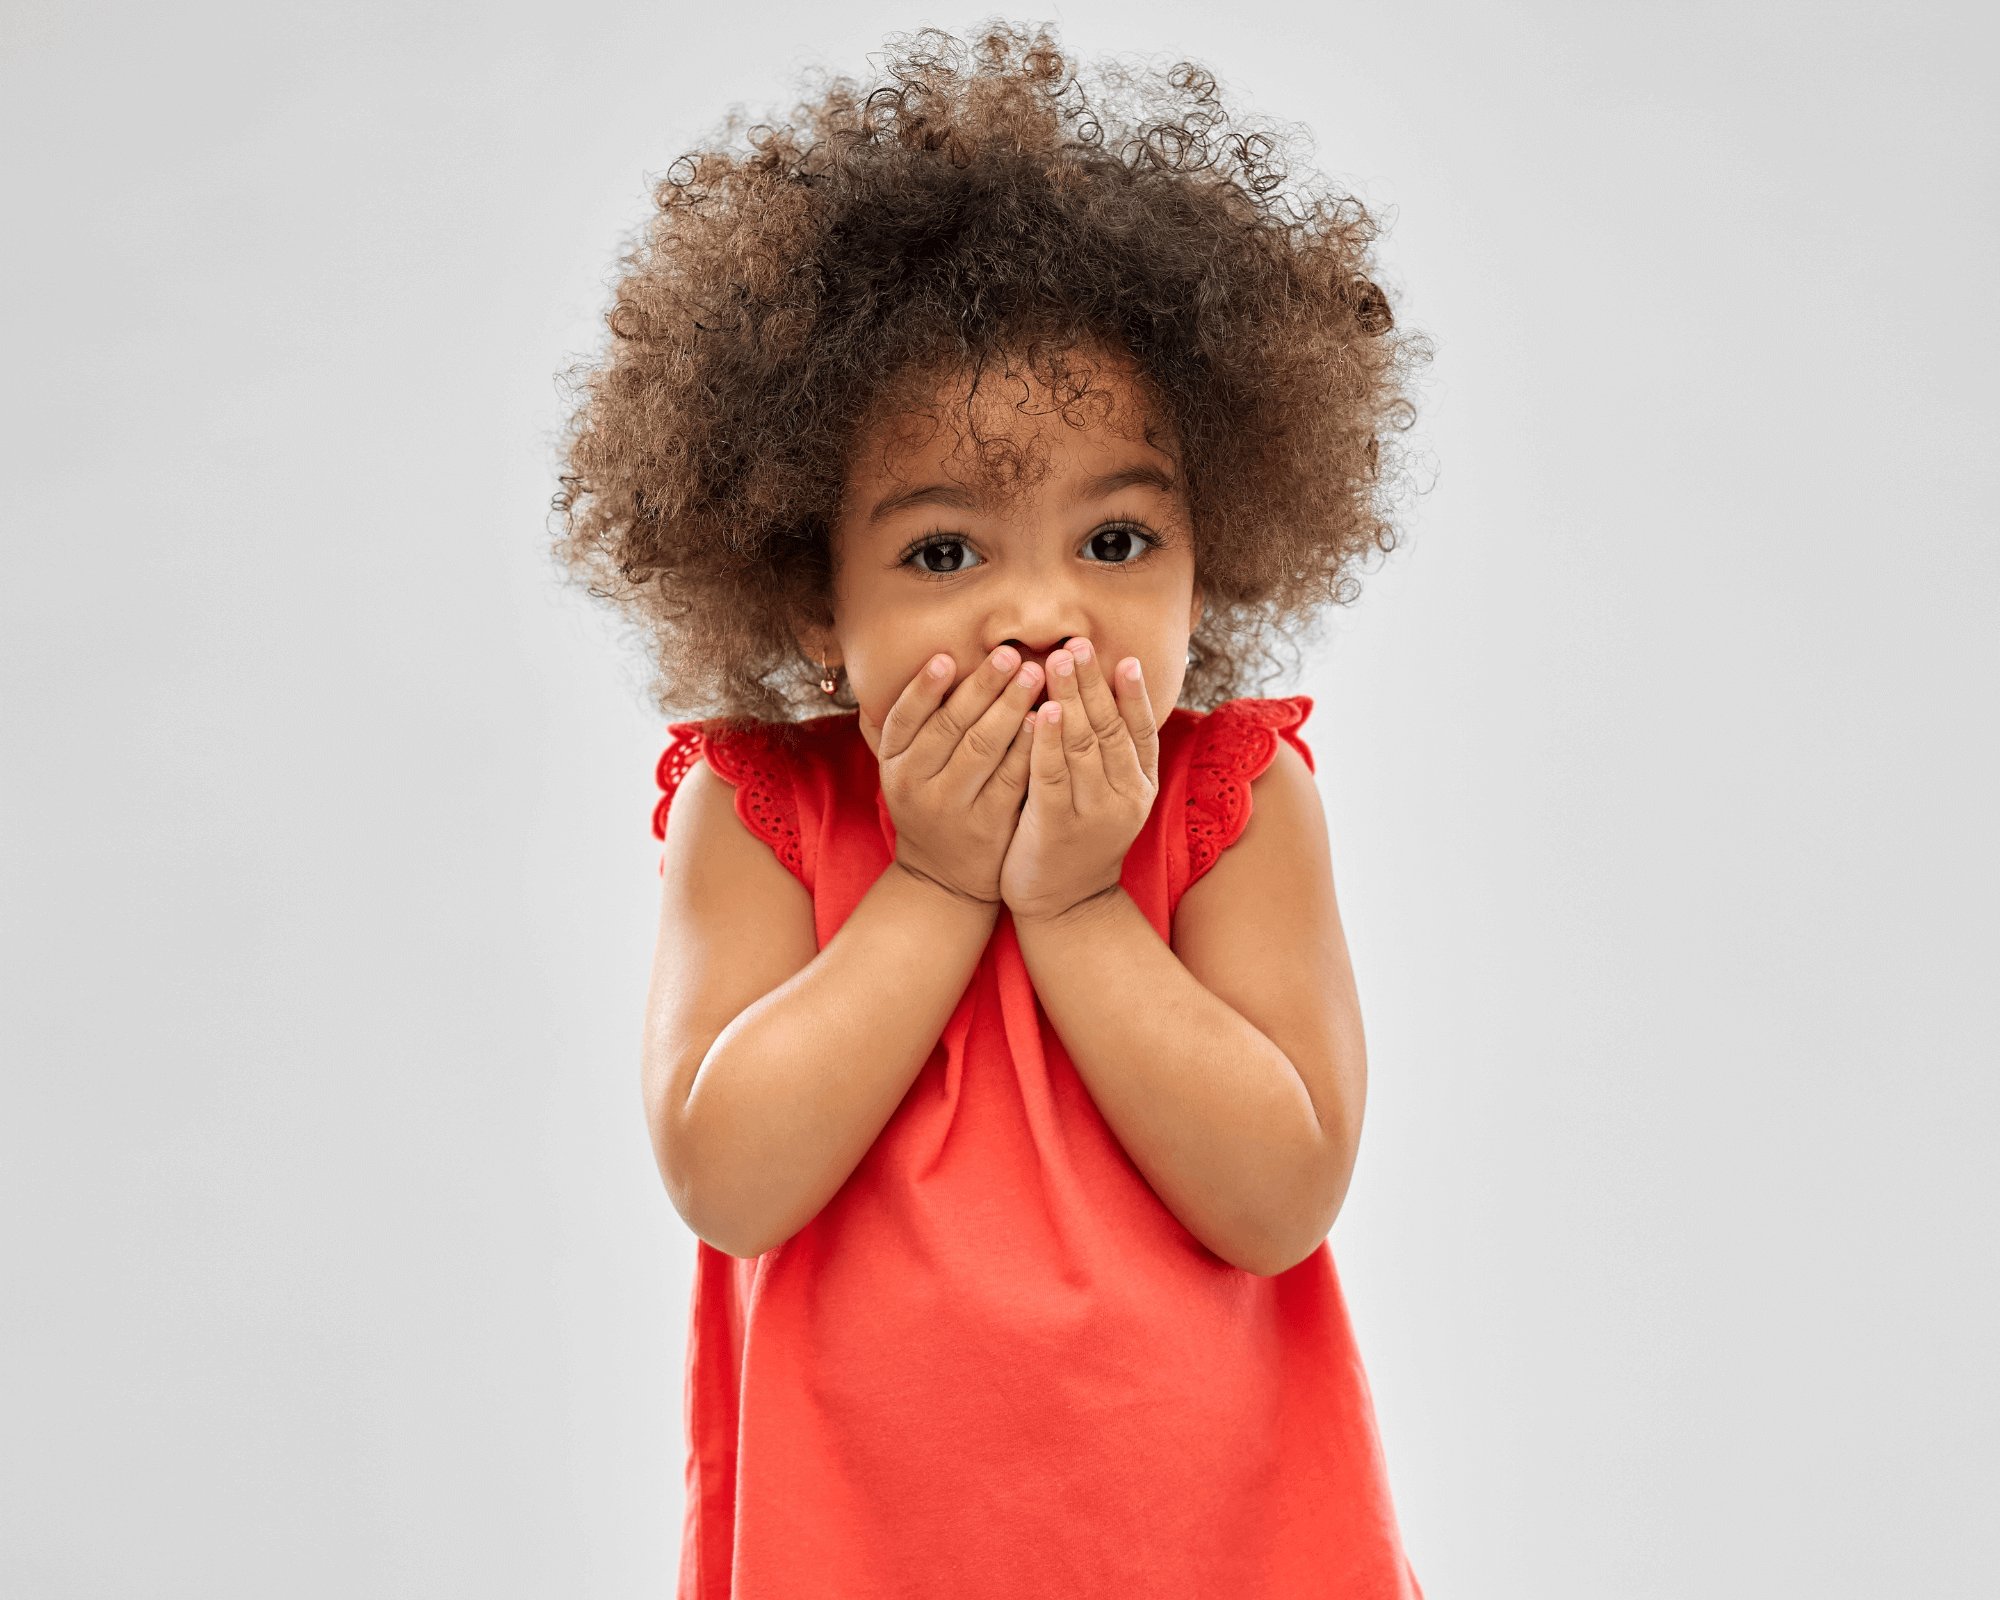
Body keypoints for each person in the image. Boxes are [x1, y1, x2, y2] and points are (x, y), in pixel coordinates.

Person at [551, 21, 1433, 1597]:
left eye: (1114, 544)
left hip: (1217, 1547)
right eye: (945, 553)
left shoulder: (1233, 800)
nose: (1039, 614)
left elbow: (1279, 1198)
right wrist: (940, 884)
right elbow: (730, 1179)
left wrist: (1082, 903)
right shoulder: (759, 813)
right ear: (816, 602)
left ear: (1208, 560)